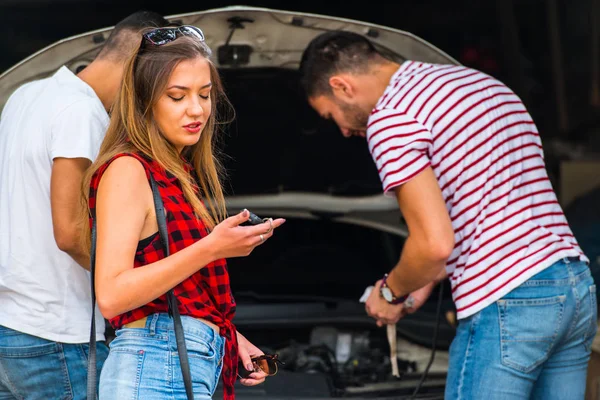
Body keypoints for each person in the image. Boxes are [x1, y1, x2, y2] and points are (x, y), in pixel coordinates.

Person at [299, 30, 596, 399]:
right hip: (573, 287)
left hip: (509, 299)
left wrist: (391, 294)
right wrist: (422, 282)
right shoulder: (479, 84)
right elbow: (485, 210)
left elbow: (435, 243)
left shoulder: (391, 119)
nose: (344, 131)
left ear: (342, 86)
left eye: (332, 116)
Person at [80, 25, 285, 400]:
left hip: (180, 356)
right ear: (144, 101)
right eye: (177, 96)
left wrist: (229, 337)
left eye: (205, 94)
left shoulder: (173, 171)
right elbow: (111, 293)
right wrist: (212, 247)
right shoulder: (129, 169)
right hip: (153, 363)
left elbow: (178, 290)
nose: (197, 109)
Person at [0, 10, 170, 399]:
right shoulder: (82, 113)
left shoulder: (26, 94)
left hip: (9, 324)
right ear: (138, 65)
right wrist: (138, 287)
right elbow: (71, 233)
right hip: (56, 335)